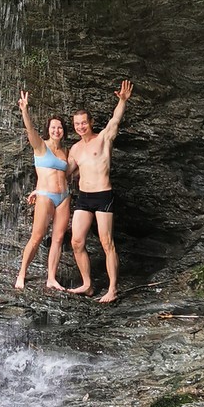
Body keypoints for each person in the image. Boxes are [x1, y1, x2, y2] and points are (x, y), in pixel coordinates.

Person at [67, 81, 133, 304]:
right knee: (76, 242)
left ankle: (112, 289)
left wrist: (122, 101)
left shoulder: (103, 139)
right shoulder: (75, 149)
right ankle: (87, 284)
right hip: (84, 197)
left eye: (84, 122)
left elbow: (115, 121)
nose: (81, 127)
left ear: (91, 122)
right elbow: (62, 172)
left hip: (103, 195)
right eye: (77, 124)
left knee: (107, 243)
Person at [14, 89, 71, 293]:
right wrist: (25, 111)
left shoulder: (66, 151)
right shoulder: (41, 146)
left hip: (63, 197)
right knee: (37, 237)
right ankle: (21, 274)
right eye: (53, 127)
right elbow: (30, 131)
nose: (57, 130)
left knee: (57, 238)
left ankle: (51, 278)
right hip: (46, 196)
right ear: (48, 130)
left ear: (63, 130)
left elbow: (72, 173)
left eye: (60, 127)